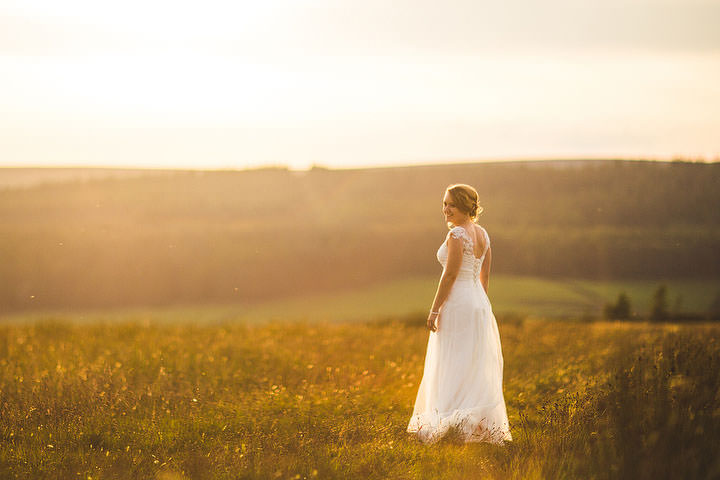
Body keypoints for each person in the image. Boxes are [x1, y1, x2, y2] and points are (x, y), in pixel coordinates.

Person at [406, 183, 512, 444]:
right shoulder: (483, 235)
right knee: (471, 362)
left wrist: (434, 309)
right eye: (444, 204)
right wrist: (481, 306)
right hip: (477, 303)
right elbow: (483, 277)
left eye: (451, 204)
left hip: (458, 303)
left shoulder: (457, 236)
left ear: (466, 206)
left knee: (452, 360)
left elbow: (450, 274)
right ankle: (471, 424)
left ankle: (450, 422)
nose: (445, 210)